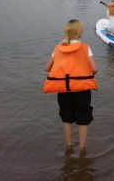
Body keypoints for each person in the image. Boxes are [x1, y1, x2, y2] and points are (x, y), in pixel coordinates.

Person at [44, 19, 98, 154]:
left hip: (63, 88)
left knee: (66, 117)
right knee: (83, 117)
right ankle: (82, 148)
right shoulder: (85, 47)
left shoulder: (57, 48)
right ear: (79, 32)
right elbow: (95, 69)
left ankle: (68, 147)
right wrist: (84, 73)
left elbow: (47, 68)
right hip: (81, 88)